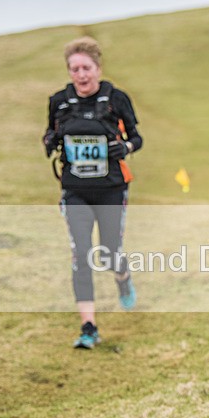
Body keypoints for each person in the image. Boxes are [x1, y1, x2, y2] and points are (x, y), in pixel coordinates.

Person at [42, 36, 143, 349]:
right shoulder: (59, 101)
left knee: (110, 253)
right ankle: (89, 327)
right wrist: (49, 143)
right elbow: (50, 132)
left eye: (86, 68)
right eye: (75, 69)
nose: (81, 75)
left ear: (98, 69)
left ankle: (123, 279)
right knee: (81, 254)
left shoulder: (117, 99)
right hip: (75, 190)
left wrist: (123, 147)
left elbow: (136, 138)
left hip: (112, 189)